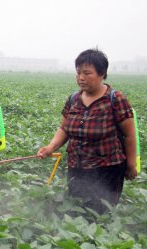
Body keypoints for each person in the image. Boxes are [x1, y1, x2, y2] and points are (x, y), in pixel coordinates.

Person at [37, 49, 137, 214]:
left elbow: (129, 135)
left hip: (107, 169)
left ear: (102, 74)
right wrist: (50, 147)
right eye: (78, 73)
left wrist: (131, 164)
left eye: (87, 73)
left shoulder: (115, 99)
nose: (81, 78)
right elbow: (64, 128)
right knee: (76, 209)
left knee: (101, 213)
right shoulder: (74, 99)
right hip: (77, 166)